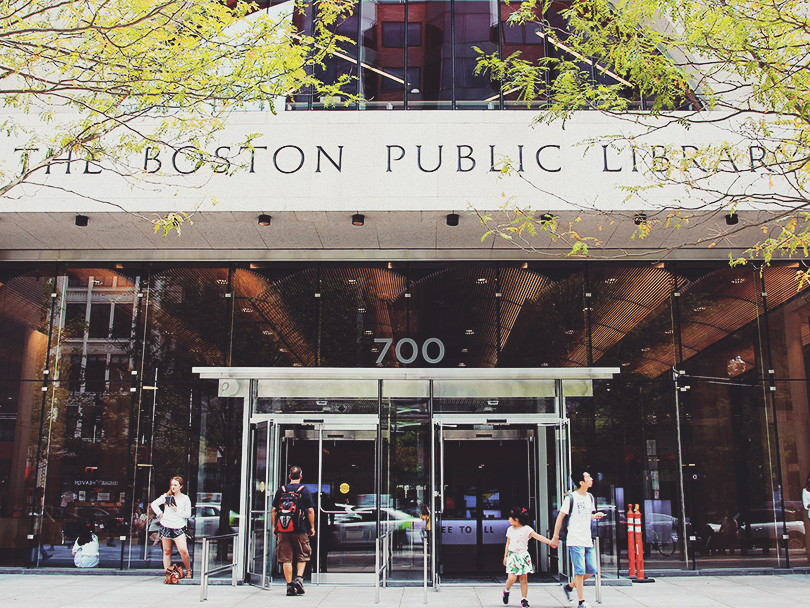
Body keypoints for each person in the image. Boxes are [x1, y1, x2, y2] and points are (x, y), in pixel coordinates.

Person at [551, 468, 605, 608]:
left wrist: (595, 515)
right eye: (588, 477)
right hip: (575, 539)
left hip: (587, 539)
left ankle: (569, 587)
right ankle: (581, 601)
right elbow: (560, 517)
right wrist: (555, 537)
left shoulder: (590, 497)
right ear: (581, 482)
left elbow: (586, 516)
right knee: (580, 571)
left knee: (591, 570)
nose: (591, 479)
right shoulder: (571, 498)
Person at [271, 465, 315, 596]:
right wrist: (312, 527)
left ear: (289, 476)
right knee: (302, 554)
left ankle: (289, 586)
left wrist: (275, 526)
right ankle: (299, 579)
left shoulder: (281, 490)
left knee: (286, 558)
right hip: (300, 528)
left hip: (283, 530)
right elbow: (310, 510)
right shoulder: (304, 490)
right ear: (301, 476)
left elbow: (273, 510)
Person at [502, 507, 554, 608]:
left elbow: (538, 536)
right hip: (512, 556)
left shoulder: (527, 529)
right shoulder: (510, 530)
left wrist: (550, 542)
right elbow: (507, 544)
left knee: (523, 579)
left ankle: (524, 599)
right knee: (512, 578)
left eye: (510, 518)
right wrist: (505, 556)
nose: (509, 520)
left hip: (523, 555)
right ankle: (506, 590)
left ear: (516, 519)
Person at [150, 475, 193, 579]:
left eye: (175, 485)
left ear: (181, 486)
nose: (173, 487)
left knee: (183, 550)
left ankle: (188, 570)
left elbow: (188, 514)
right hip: (166, 526)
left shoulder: (185, 498)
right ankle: (168, 573)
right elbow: (154, 504)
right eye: (171, 485)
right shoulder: (166, 496)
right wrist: (160, 514)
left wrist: (176, 510)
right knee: (166, 551)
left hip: (179, 527)